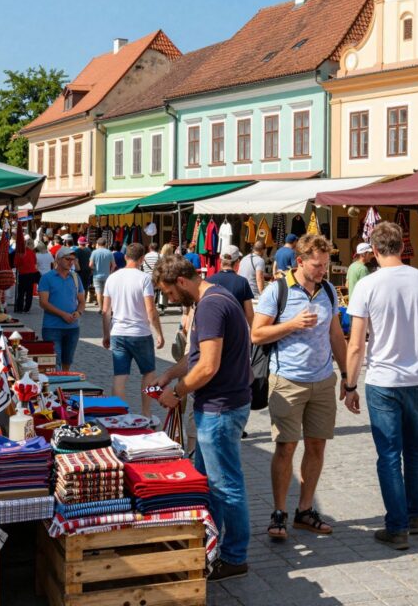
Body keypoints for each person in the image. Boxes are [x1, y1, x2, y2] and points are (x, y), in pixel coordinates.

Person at [344, 221, 418, 550]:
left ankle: (397, 526)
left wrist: (350, 385)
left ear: (374, 251)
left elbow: (356, 344)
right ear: (403, 247)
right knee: (416, 447)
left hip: (383, 380)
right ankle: (415, 515)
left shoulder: (368, 285)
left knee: (389, 454)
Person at [151, 256, 252, 582]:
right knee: (208, 483)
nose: (168, 299)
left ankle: (235, 556)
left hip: (220, 409)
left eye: (167, 293)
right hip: (221, 406)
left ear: (181, 281)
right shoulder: (215, 296)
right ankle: (209, 545)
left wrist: (177, 392)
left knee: (225, 485)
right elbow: (195, 357)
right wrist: (170, 373)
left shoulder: (209, 306)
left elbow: (207, 366)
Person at [251, 234, 346, 542]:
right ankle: (279, 512)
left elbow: (336, 336)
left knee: (317, 446)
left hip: (322, 380)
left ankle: (305, 510)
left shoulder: (329, 291)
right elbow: (257, 334)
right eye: (317, 265)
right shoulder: (277, 290)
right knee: (286, 447)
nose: (323, 271)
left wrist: (348, 376)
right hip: (287, 380)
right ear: (300, 261)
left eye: (326, 264)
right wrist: (291, 324)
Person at [102, 242, 165, 419]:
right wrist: (158, 333)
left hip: (118, 332)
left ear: (125, 257)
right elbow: (151, 310)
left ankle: (119, 415)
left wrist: (106, 334)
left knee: (120, 376)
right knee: (148, 373)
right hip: (140, 333)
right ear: (142, 258)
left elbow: (106, 311)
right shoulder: (144, 278)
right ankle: (146, 413)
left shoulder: (112, 277)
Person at [38, 248, 85, 371]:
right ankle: (57, 388)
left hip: (73, 328)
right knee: (55, 362)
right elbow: (43, 303)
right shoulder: (47, 278)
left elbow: (82, 301)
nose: (71, 262)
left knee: (67, 361)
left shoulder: (75, 277)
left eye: (73, 260)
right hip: (52, 327)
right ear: (58, 259)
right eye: (67, 259)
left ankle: (64, 387)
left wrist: (78, 312)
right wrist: (63, 314)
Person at [208, 245, 255, 326]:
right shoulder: (242, 282)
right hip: (235, 331)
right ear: (237, 263)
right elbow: (249, 314)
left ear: (220, 261)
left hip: (213, 329)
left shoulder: (208, 281)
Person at [14, 237, 39, 313]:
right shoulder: (32, 252)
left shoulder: (19, 253)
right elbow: (35, 263)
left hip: (23, 274)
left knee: (21, 291)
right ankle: (27, 308)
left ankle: (20, 308)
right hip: (31, 273)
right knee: (29, 291)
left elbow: (16, 264)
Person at [90, 237, 115, 307]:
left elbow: (90, 265)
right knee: (106, 292)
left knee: (98, 293)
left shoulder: (94, 252)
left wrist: (95, 269)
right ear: (105, 244)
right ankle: (105, 307)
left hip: (96, 276)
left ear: (97, 244)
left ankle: (101, 309)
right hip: (107, 275)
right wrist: (110, 272)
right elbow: (114, 265)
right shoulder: (109, 252)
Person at [74, 237, 94, 306]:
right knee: (85, 287)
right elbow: (91, 261)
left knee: (78, 287)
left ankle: (78, 303)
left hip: (80, 271)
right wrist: (91, 270)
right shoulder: (89, 250)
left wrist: (78, 269)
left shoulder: (77, 251)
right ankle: (83, 303)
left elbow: (76, 262)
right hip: (87, 271)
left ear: (78, 243)